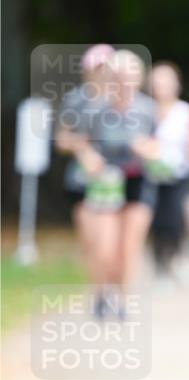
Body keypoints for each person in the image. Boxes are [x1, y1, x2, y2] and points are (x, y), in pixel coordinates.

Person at [75, 49, 158, 315]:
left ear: (138, 77)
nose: (123, 81)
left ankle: (121, 299)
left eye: (129, 75)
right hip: (105, 183)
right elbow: (80, 142)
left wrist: (147, 149)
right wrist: (88, 157)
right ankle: (101, 291)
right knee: (105, 246)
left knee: (128, 248)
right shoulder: (95, 109)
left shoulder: (148, 109)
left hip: (138, 181)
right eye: (118, 75)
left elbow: (161, 147)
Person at [55, 44, 116, 308]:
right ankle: (99, 293)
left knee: (111, 241)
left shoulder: (121, 98)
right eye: (97, 69)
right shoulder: (75, 100)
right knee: (92, 241)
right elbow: (61, 139)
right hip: (83, 179)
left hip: (115, 179)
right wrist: (83, 147)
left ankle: (114, 289)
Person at [147, 62, 189, 280]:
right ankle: (160, 264)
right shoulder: (145, 111)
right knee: (156, 221)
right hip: (151, 175)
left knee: (176, 219)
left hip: (179, 173)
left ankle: (178, 256)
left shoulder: (187, 112)